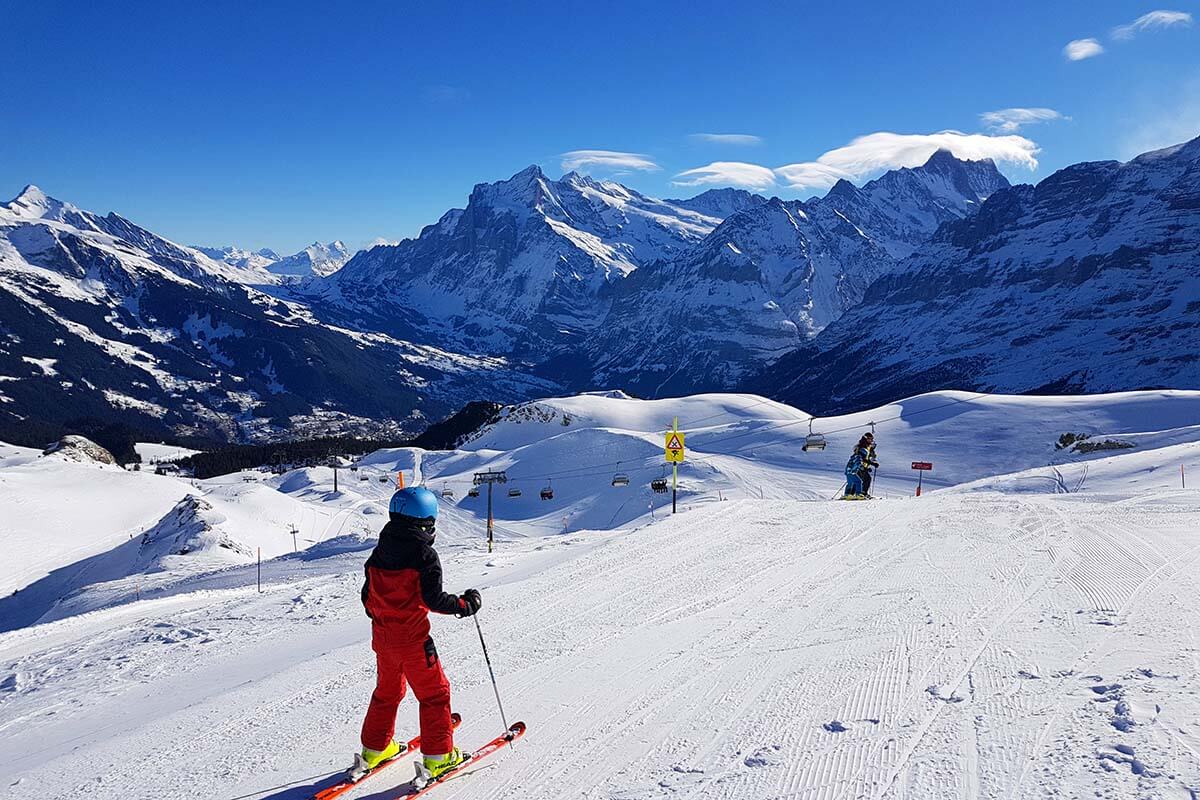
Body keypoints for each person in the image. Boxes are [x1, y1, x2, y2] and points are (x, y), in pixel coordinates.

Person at [356, 486, 482, 780]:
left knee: (387, 693)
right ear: (426, 522)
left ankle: (375, 749)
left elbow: (367, 598)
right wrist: (465, 604)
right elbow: (433, 600)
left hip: (383, 638)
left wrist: (386, 616)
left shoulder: (379, 552)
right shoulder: (424, 555)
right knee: (435, 695)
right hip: (413, 641)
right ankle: (438, 757)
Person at [844, 433, 878, 499]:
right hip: (859, 466)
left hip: (861, 466)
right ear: (865, 438)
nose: (871, 440)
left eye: (872, 439)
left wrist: (868, 467)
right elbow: (862, 458)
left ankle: (851, 494)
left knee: (861, 480)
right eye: (869, 439)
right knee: (866, 479)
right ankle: (861, 494)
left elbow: (866, 458)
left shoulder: (867, 447)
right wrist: (872, 463)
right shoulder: (862, 446)